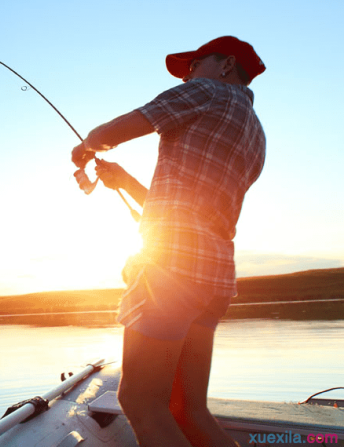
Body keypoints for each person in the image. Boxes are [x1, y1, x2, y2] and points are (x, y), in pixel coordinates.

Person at [71, 36, 266, 447]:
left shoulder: (205, 91)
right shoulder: (256, 133)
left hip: (171, 272)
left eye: (194, 65)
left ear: (226, 65)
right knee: (188, 410)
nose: (187, 74)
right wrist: (123, 182)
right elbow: (192, 208)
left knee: (141, 402)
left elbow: (110, 132)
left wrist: (86, 146)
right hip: (213, 277)